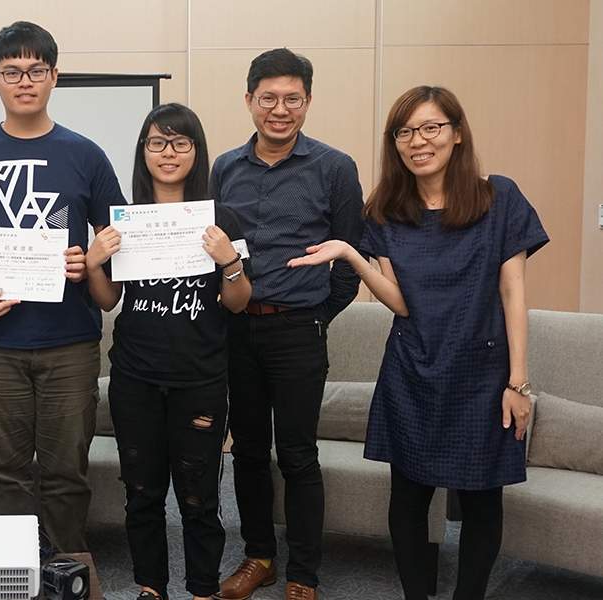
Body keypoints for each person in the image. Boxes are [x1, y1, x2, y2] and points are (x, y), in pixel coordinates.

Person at [288, 86, 547, 600]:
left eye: (431, 128)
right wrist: (352, 256)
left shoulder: (499, 199)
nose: (418, 141)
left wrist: (518, 383)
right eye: (404, 132)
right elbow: (401, 303)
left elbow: (513, 292)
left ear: (457, 133)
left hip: (482, 372)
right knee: (408, 498)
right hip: (412, 370)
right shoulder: (385, 210)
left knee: (481, 499)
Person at [0, 20, 127, 553]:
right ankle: (14, 572)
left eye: (36, 70)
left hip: (69, 339)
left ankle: (66, 568)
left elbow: (115, 240)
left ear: (54, 76)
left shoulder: (86, 155)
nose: (25, 81)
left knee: (68, 470)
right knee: (5, 472)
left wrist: (88, 263)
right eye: (12, 71)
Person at [209, 48, 364, 600]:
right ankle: (259, 558)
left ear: (308, 101)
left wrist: (316, 315)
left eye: (292, 99)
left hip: (298, 329)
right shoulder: (225, 167)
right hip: (237, 328)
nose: (280, 110)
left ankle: (303, 574)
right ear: (249, 100)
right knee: (248, 450)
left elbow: (351, 258)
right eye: (268, 98)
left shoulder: (335, 168)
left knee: (298, 455)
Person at [84, 103, 251, 600]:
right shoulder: (125, 222)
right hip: (135, 376)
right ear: (144, 152)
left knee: (199, 496)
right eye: (157, 142)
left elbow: (238, 303)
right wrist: (94, 263)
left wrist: (229, 262)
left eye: (180, 142)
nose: (168, 152)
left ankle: (201, 589)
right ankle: (150, 587)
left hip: (199, 377)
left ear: (196, 151)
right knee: (141, 493)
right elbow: (108, 300)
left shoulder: (221, 218)